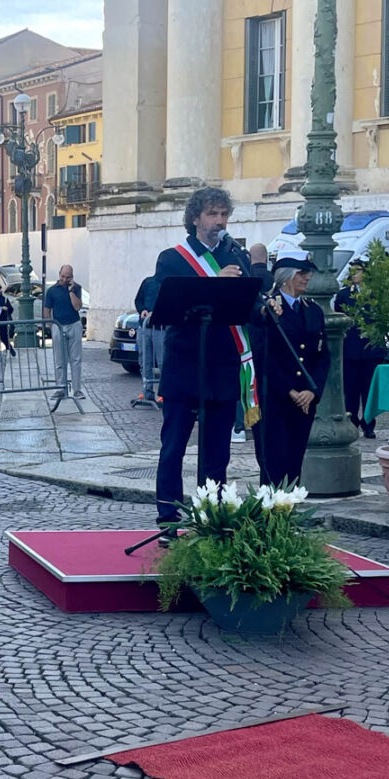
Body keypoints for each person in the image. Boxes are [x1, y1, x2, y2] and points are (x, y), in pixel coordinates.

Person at [150, 187, 258, 541]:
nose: (220, 222)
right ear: (195, 218)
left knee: (217, 452)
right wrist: (214, 282)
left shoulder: (236, 256)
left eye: (224, 215)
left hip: (223, 369)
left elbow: (248, 304)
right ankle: (168, 520)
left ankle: (209, 516)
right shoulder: (173, 258)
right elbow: (169, 304)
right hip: (184, 367)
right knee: (174, 448)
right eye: (212, 214)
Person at [252, 251, 330, 486]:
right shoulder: (268, 309)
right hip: (276, 397)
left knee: (295, 461)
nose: (307, 277)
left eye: (308, 273)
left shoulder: (313, 310)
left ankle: (290, 514)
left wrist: (312, 391)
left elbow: (323, 355)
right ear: (286, 277)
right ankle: (271, 516)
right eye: (302, 273)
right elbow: (263, 355)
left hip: (305, 399)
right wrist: (289, 389)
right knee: (274, 461)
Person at [334, 258, 385, 439]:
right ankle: (352, 421)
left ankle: (369, 424)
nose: (354, 275)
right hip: (351, 350)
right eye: (353, 271)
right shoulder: (344, 295)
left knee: (369, 391)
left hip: (371, 351)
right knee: (351, 391)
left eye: (358, 271)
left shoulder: (377, 295)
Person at [43, 265, 83, 400]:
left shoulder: (76, 288)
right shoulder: (52, 291)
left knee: (76, 359)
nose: (65, 279)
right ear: (59, 274)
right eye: (63, 276)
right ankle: (61, 388)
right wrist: (50, 325)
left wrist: (71, 291)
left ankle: (77, 390)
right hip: (58, 326)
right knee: (59, 359)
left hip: (74, 324)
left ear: (72, 276)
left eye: (68, 277)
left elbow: (77, 306)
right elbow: (47, 309)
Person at [134, 274, 164, 404]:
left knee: (163, 361)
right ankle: (147, 392)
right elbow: (138, 300)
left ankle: (164, 394)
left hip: (160, 328)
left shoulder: (167, 283)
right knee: (144, 360)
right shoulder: (147, 282)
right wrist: (143, 310)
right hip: (144, 327)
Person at [0, 281, 15, 356]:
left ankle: (10, 348)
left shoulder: (4, 299)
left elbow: (11, 309)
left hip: (2, 320)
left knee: (3, 336)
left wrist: (6, 308)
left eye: (0, 287)